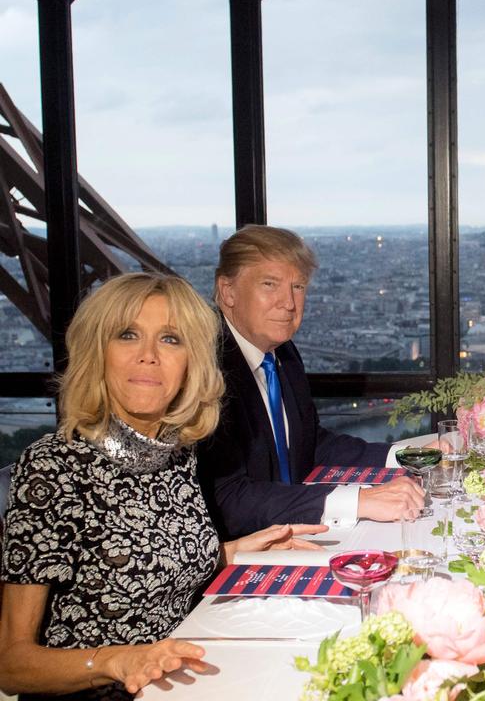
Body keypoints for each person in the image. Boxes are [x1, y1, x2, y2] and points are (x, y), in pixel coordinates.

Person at [0, 273, 326, 699]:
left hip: (186, 677)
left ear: (192, 362)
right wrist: (119, 660)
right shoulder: (53, 469)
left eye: (170, 339)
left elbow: (155, 567)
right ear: (96, 353)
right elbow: (11, 662)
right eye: (127, 335)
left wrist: (236, 550)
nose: (149, 356)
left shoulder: (176, 453)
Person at [199, 225, 423, 538]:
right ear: (228, 291)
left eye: (298, 287)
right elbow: (229, 501)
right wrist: (359, 500)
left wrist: (406, 454)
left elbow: (309, 444)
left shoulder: (283, 353)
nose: (288, 303)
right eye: (270, 284)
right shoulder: (205, 369)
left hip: (289, 529)